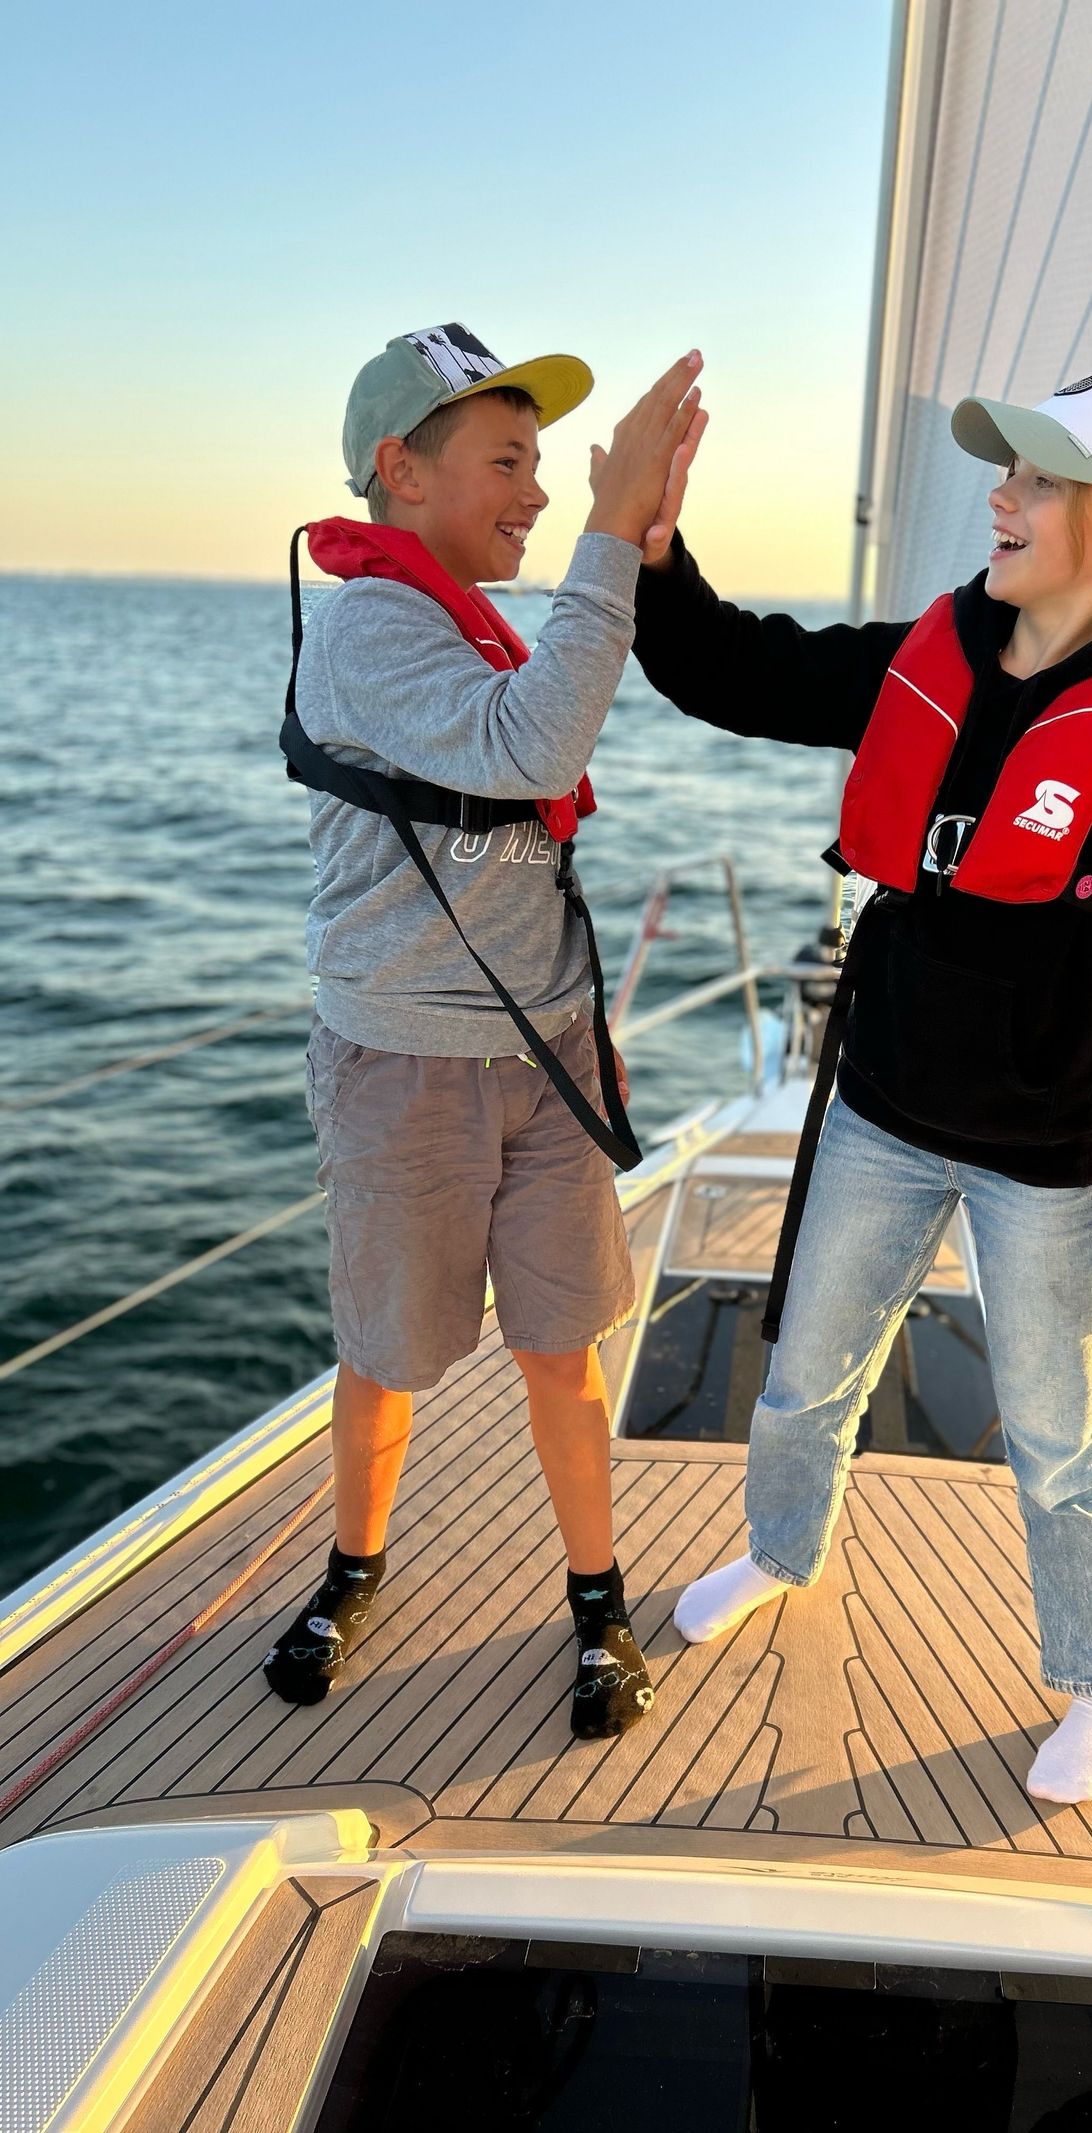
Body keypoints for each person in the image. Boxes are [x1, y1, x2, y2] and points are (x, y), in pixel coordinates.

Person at [630, 371, 1092, 1802]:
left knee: (1057, 1437)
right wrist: (660, 553)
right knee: (802, 1377)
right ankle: (781, 1551)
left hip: (1036, 1155)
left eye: (1035, 480)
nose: (999, 497)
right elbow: (738, 669)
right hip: (882, 1105)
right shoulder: (932, 650)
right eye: (1004, 473)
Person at [262, 323, 707, 1738]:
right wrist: (608, 527)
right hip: (407, 1066)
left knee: (565, 1349)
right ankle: (353, 1568)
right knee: (387, 1349)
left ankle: (597, 1602)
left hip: (546, 1052)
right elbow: (535, 749)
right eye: (505, 461)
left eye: (540, 467)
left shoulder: (469, 621)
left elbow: (535, 726)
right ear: (400, 471)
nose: (531, 489)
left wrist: (628, 539)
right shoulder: (374, 628)